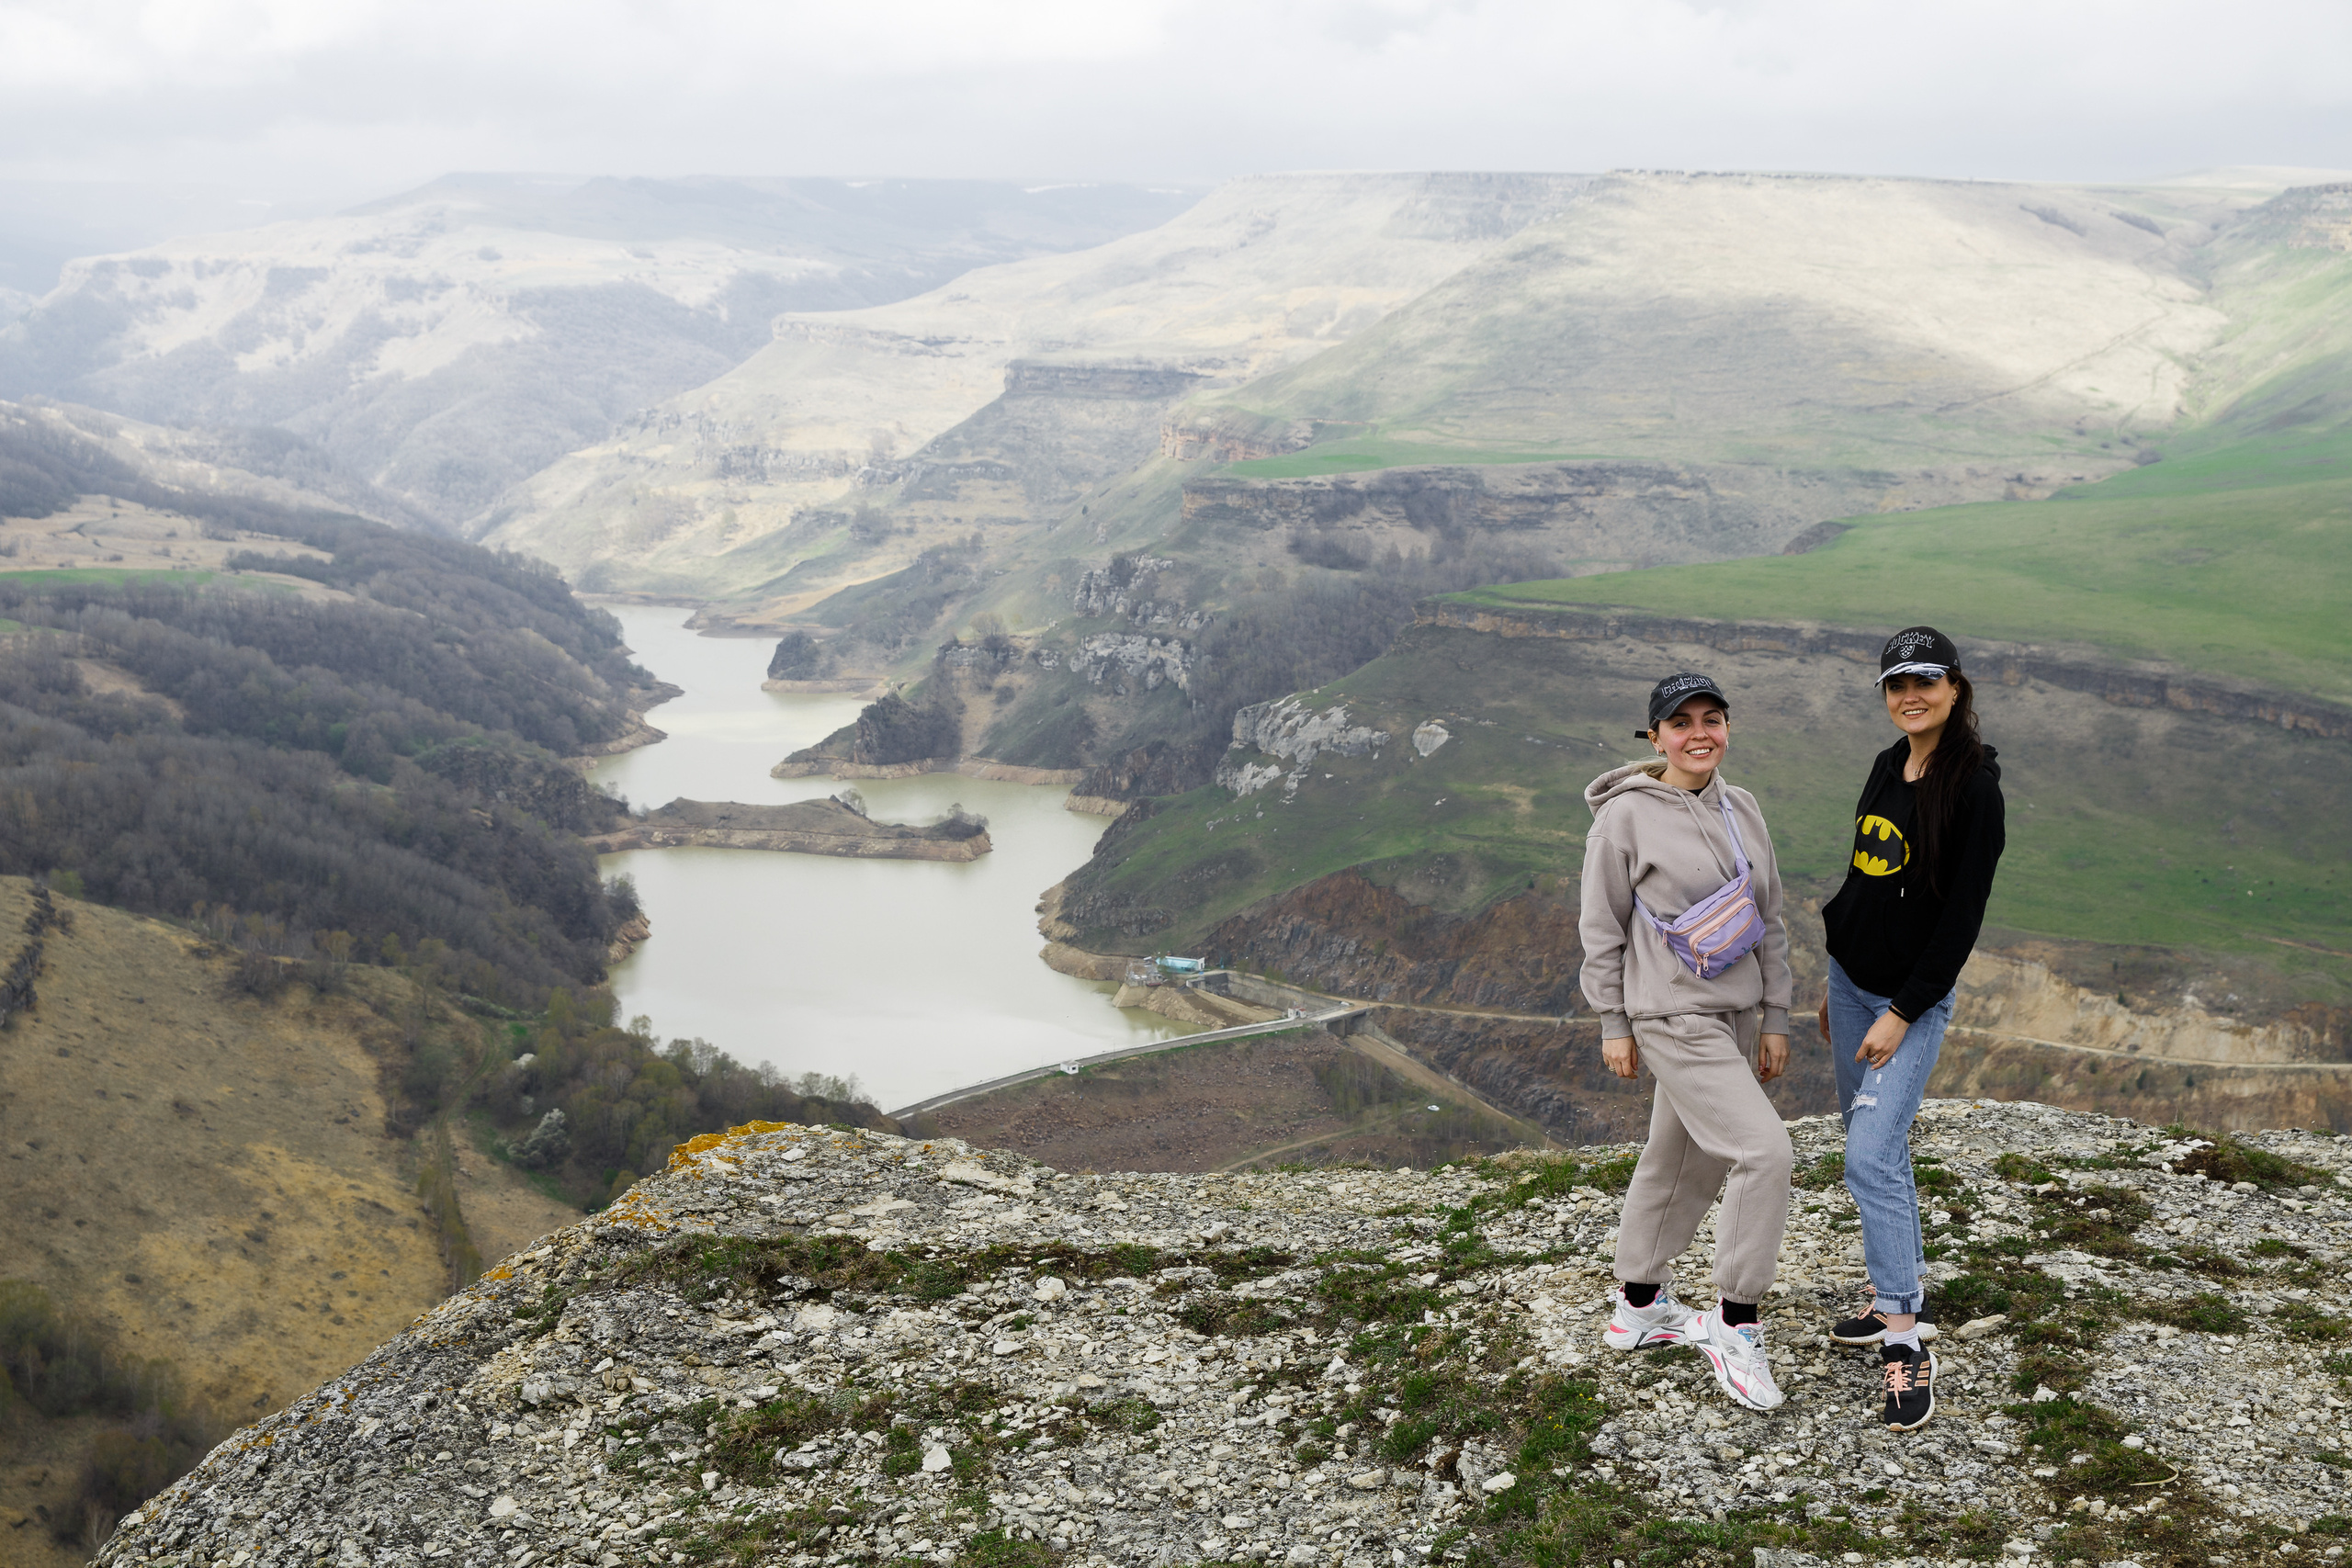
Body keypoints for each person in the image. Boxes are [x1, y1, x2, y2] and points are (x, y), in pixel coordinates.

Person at [1580, 671, 1794, 1413]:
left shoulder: (1743, 806)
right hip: (1672, 1016)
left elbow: (1770, 915)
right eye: (1681, 723)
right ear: (1654, 737)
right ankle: (1736, 1324)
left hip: (1736, 1015)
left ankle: (1639, 1305)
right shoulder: (1625, 817)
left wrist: (1775, 1015)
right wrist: (1613, 1022)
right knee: (1764, 1153)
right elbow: (1601, 930)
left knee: (1681, 1158)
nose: (1699, 733)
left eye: (1713, 718)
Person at [1818, 626, 2006, 1433]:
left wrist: (1901, 1011)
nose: (1910, 695)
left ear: (1955, 687)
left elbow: (1960, 920)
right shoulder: (1887, 763)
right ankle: (1893, 1292)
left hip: (1909, 1001)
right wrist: (1841, 973)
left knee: (1867, 1153)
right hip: (1849, 984)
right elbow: (1867, 870)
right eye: (1897, 683)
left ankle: (1905, 1340)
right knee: (1876, 1150)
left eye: (1925, 680)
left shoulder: (1974, 788)